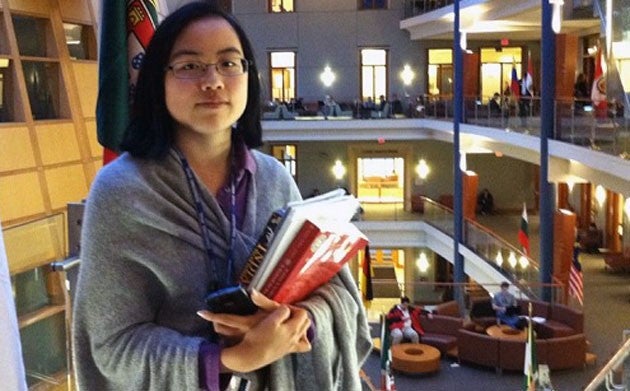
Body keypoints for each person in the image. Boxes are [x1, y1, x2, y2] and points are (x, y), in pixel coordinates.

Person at [72, 3, 372, 391]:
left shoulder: (275, 178)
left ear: (249, 75)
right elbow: (112, 344)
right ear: (157, 80)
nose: (212, 80)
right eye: (189, 66)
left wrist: (301, 323)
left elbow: (336, 294)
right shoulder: (120, 191)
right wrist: (230, 359)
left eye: (229, 63)